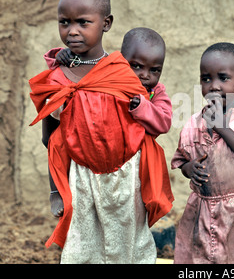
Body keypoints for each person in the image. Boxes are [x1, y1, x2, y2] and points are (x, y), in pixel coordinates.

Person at [29, 0, 173, 263]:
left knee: (129, 241)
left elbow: (155, 121)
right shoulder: (59, 76)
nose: (72, 31)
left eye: (83, 23)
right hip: (82, 177)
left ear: (105, 23)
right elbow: (52, 140)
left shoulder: (121, 70)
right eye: (64, 22)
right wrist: (56, 190)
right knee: (83, 242)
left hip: (126, 176)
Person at [43, 27, 172, 218]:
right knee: (57, 142)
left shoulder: (156, 92)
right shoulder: (110, 74)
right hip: (97, 150)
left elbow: (164, 122)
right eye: (136, 66)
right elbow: (82, 69)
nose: (145, 75)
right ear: (120, 61)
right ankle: (56, 192)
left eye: (154, 70)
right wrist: (61, 57)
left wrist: (143, 107)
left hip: (130, 162)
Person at [171, 42, 234, 264]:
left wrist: (223, 128)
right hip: (201, 211)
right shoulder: (193, 123)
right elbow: (182, 162)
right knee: (199, 259)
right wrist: (189, 169)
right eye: (206, 79)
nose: (214, 86)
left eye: (223, 78)